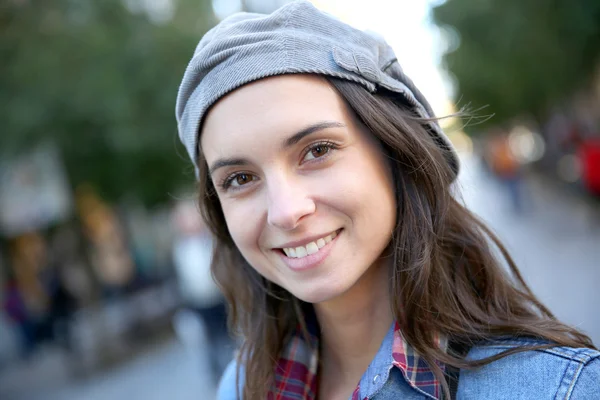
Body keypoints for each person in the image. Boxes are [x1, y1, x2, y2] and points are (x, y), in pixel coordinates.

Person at [175, 2, 600, 399]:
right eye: (241, 178)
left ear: (397, 152)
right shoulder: (239, 386)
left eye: (317, 150)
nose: (286, 211)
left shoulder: (555, 388)